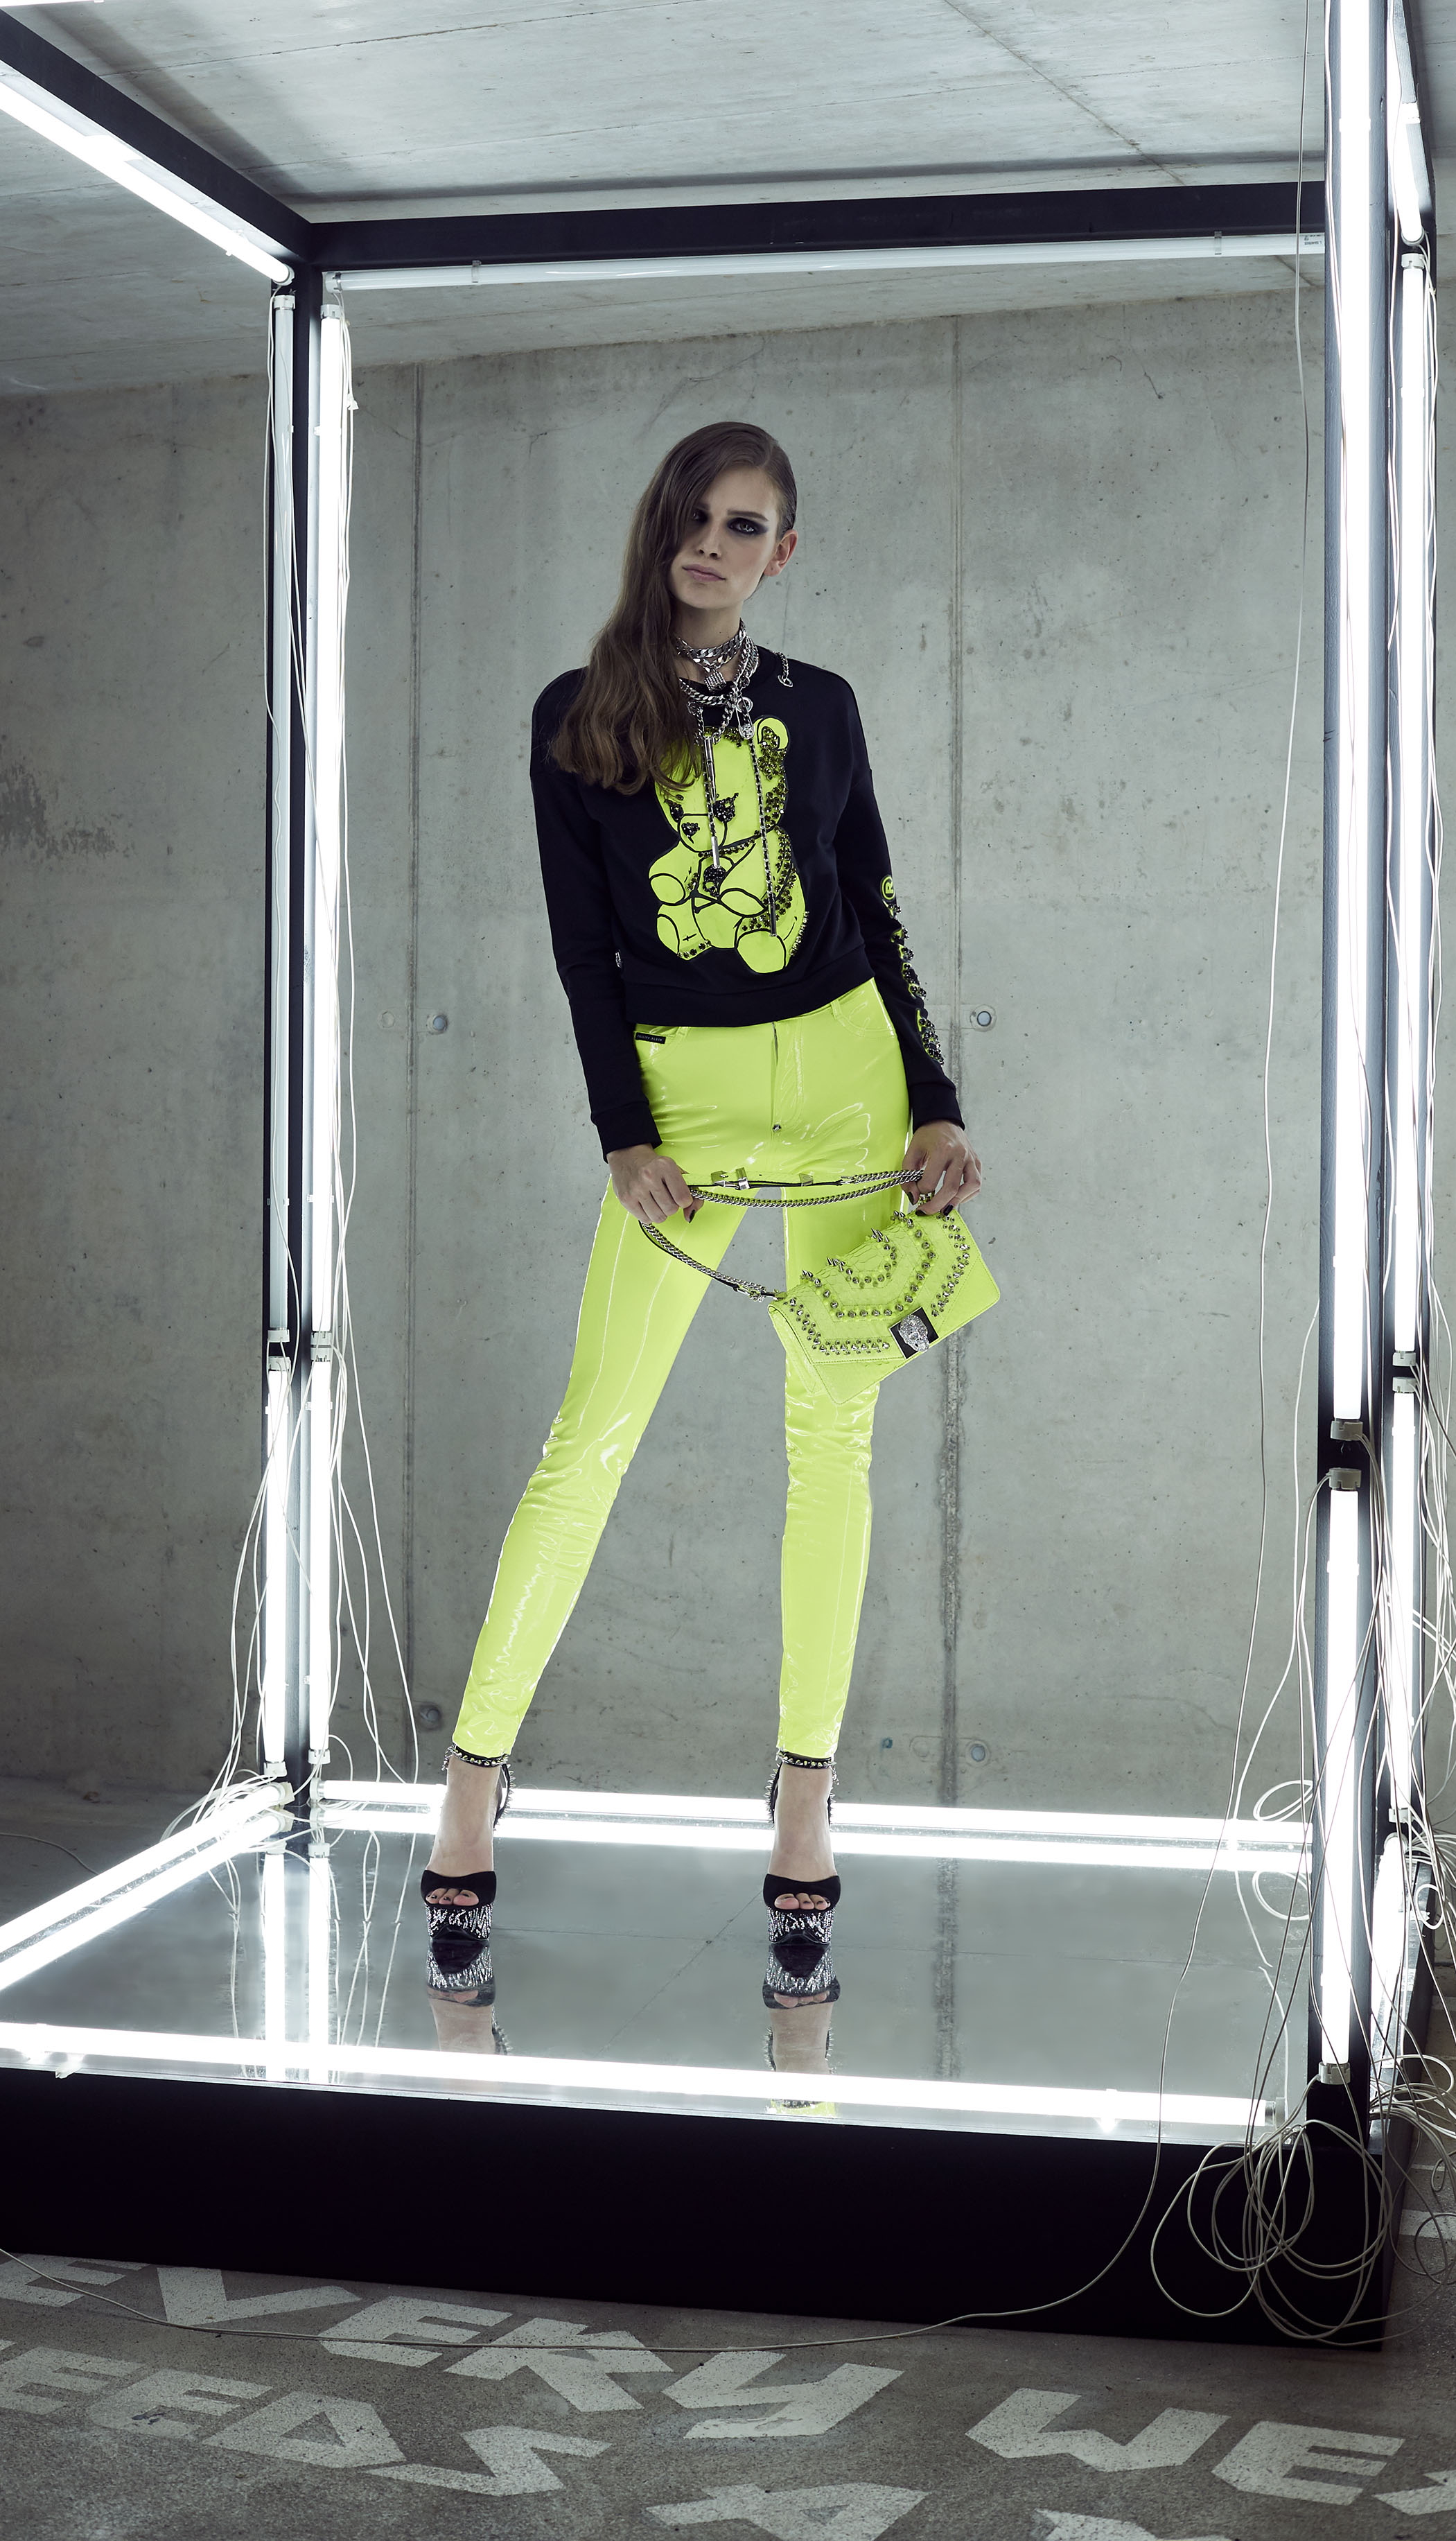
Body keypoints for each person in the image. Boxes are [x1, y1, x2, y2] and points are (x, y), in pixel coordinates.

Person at [420, 419, 981, 2025]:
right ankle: (471, 1786)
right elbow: (582, 948)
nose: (713, 545)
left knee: (832, 1441)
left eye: (745, 527)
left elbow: (875, 907)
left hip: (853, 1089)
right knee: (591, 1437)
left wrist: (935, 1100)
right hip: (688, 1106)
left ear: (780, 553)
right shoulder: (578, 715)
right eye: (695, 516)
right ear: (659, 525)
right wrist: (623, 1133)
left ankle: (804, 1797)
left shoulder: (825, 706)